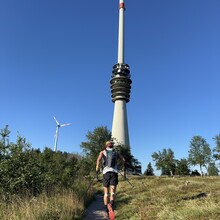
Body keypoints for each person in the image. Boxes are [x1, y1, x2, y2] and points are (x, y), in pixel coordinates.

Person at [96, 141, 125, 220]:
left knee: (106, 193)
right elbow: (123, 160)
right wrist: (120, 166)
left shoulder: (102, 152)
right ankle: (111, 205)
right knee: (113, 192)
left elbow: (98, 160)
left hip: (106, 173)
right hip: (114, 173)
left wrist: (97, 168)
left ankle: (106, 209)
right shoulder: (116, 152)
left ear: (106, 145)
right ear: (112, 146)